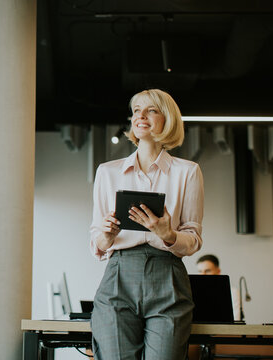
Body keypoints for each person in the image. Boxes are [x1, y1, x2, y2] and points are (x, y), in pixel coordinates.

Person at [89, 89, 204, 360]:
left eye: (151, 110)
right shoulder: (108, 172)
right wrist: (106, 234)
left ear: (167, 119)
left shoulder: (187, 172)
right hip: (119, 274)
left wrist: (169, 234)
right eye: (137, 110)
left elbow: (194, 238)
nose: (141, 115)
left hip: (168, 276)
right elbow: (97, 240)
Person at [196, 254, 241, 321]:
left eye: (207, 271)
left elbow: (236, 321)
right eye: (200, 271)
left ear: (218, 271)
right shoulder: (195, 292)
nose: (202, 275)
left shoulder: (232, 292)